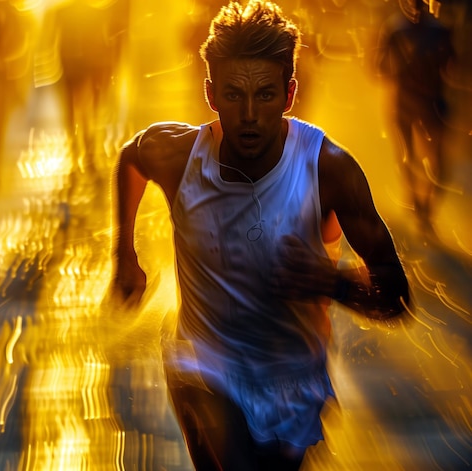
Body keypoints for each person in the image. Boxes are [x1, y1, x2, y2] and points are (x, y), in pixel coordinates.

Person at [112, 1, 410, 469]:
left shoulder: (329, 169)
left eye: (265, 95)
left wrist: (331, 283)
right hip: (202, 368)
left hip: (291, 384)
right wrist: (124, 254)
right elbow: (132, 156)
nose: (249, 114)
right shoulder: (178, 155)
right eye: (233, 95)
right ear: (210, 94)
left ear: (290, 94)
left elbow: (396, 296)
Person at [376, 0, 455, 238]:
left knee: (412, 155)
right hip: (429, 102)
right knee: (427, 158)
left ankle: (422, 205)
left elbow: (379, 67)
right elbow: (453, 68)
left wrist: (403, 70)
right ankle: (423, 206)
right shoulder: (438, 31)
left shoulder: (396, 30)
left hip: (411, 102)